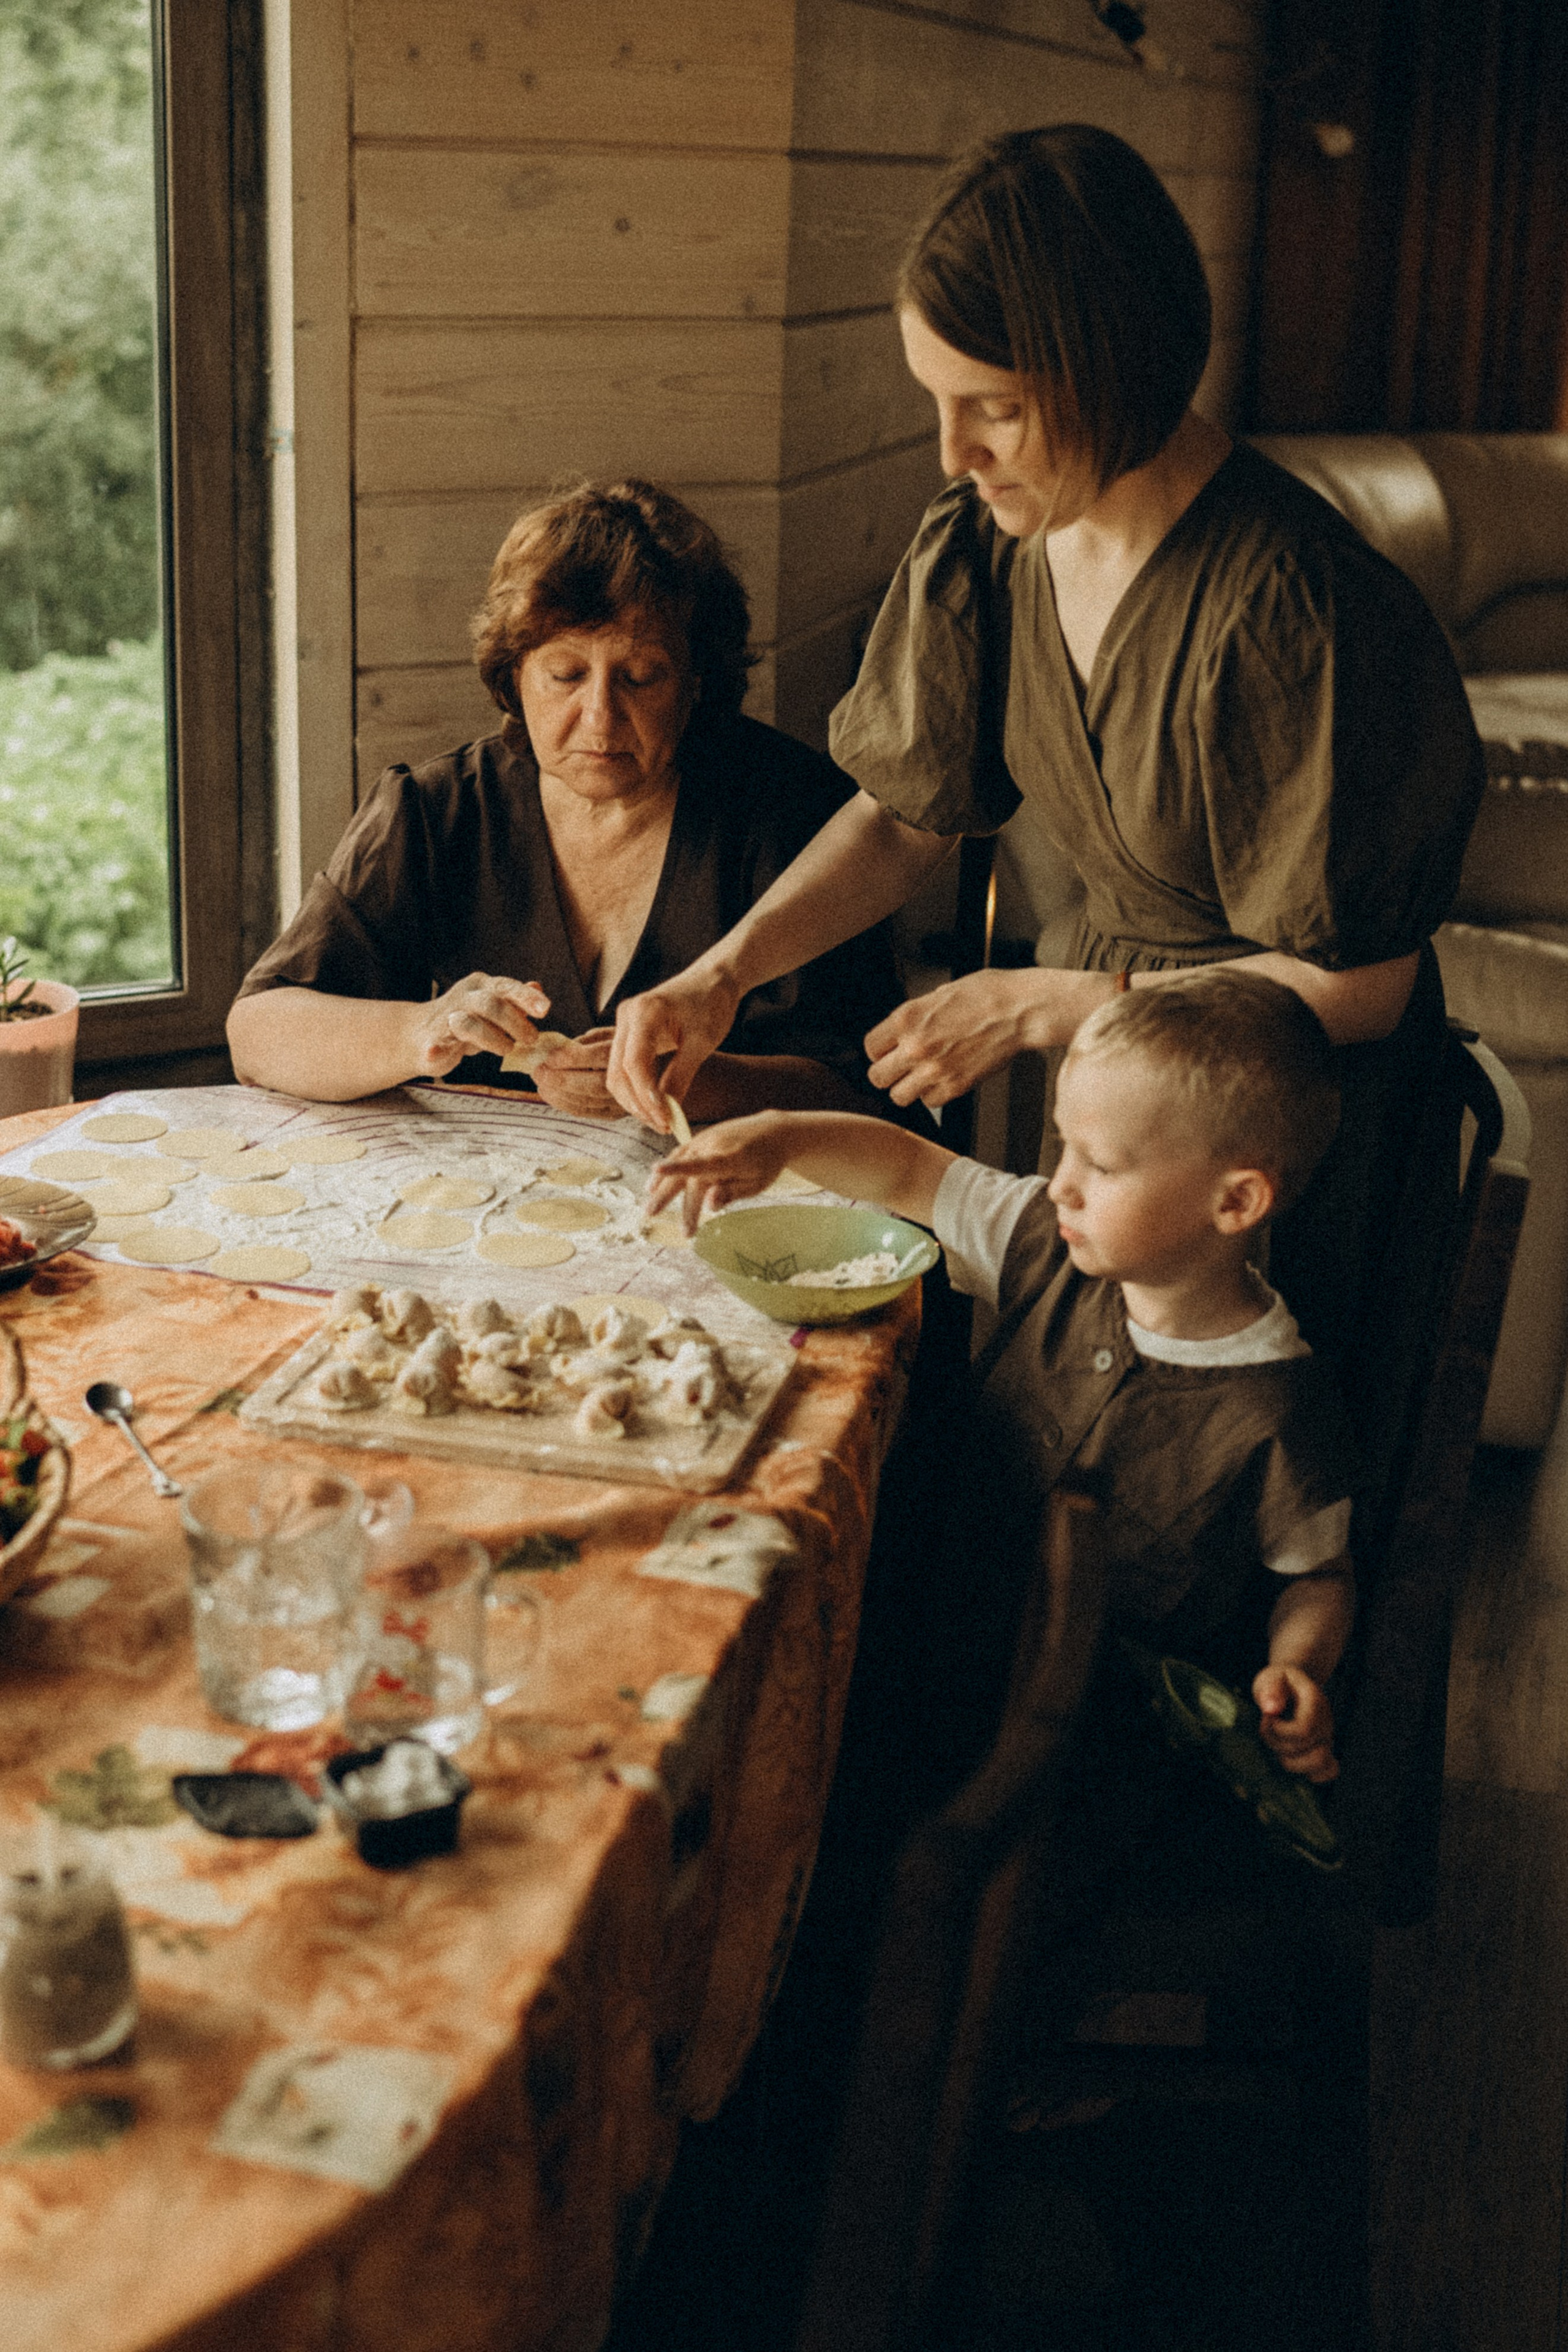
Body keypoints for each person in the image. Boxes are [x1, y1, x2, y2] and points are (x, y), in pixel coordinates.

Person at [606, 125, 1483, 1376]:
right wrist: (723, 974)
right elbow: (905, 814)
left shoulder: (1297, 609)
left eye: (994, 411)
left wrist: (1055, 1004)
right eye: (937, 403)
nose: (951, 454)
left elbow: (1357, 994)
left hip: (1271, 1160)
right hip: (1122, 1123)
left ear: (1108, 370)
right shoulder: (987, 548)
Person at [648, 970, 1355, 1786]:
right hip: (933, 1658)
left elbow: (1317, 1576)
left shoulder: (1281, 1410)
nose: (1062, 1183)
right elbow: (912, 1171)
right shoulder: (1049, 1241)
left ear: (1235, 1203)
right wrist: (782, 1138)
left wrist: (1297, 1665)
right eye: (1064, 1147)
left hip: (1097, 1756)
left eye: (1103, 1165)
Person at [227, 480, 907, 1117]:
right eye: (565, 675)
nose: (601, 718)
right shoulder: (437, 812)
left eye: (641, 677)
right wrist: (422, 1029)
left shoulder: (793, 813)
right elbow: (259, 1032)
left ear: (697, 682)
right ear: (512, 676)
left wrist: (671, 1084)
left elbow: (864, 1091)